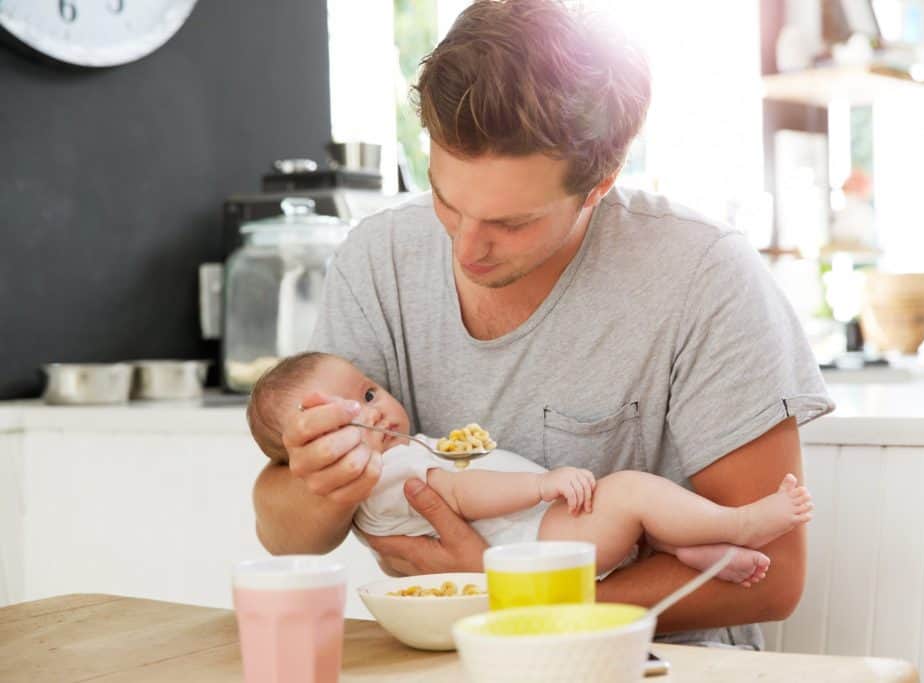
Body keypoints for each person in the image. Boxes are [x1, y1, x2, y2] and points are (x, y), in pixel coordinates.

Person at [251, 0, 833, 648]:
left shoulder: (702, 274)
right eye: (446, 199)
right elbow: (287, 534)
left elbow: (775, 577)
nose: (467, 249)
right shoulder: (377, 258)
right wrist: (320, 480)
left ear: (600, 183)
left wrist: (513, 594)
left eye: (511, 223)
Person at [248, 352, 815, 585]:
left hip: (539, 543)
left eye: (371, 393)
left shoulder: (401, 452)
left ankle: (698, 554)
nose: (378, 414)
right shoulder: (385, 478)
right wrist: (541, 483)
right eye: (351, 420)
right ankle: (740, 524)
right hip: (538, 540)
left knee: (645, 525)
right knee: (633, 492)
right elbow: (465, 494)